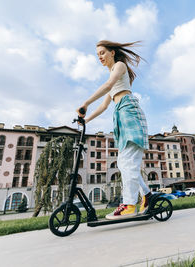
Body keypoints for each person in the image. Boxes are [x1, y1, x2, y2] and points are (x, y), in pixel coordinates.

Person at [76, 40, 152, 220]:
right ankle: (147, 195)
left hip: (128, 112)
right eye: (97, 55)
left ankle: (129, 204)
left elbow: (108, 86)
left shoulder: (119, 66)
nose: (100, 57)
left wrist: (85, 103)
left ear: (112, 53)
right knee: (124, 163)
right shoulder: (113, 73)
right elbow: (103, 106)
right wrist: (86, 119)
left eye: (102, 53)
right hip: (120, 115)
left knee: (127, 162)